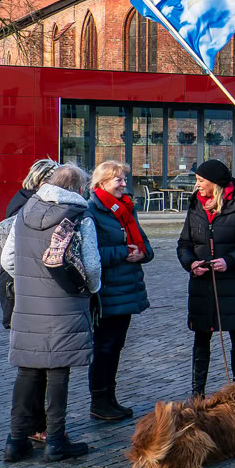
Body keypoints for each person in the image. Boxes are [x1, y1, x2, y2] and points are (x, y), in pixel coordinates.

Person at [0, 164, 102, 462]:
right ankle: (56, 441)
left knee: (27, 370)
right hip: (65, 303)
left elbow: (8, 259)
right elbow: (92, 266)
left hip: (29, 304)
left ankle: (15, 441)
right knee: (59, 372)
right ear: (79, 189)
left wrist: (31, 281)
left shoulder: (25, 212)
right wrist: (91, 289)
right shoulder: (80, 216)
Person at [177, 158, 235, 397]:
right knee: (201, 339)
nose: (197, 186)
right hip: (203, 285)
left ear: (215, 183)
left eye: (201, 180)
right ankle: (197, 394)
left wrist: (230, 261)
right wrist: (190, 263)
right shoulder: (195, 205)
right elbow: (184, 243)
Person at [0, 158, 59, 445]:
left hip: (23, 292)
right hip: (23, 293)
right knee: (34, 367)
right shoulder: (27, 208)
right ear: (43, 182)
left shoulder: (26, 203)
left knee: (34, 366)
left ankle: (26, 430)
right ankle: (32, 427)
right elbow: (13, 259)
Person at [86, 160, 153, 421]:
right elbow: (92, 253)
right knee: (104, 347)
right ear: (102, 183)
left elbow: (145, 244)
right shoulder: (92, 211)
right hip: (107, 292)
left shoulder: (126, 209)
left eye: (124, 178)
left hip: (127, 290)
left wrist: (142, 254)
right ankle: (99, 400)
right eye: (119, 179)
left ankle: (109, 398)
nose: (124, 184)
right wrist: (124, 253)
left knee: (116, 347)